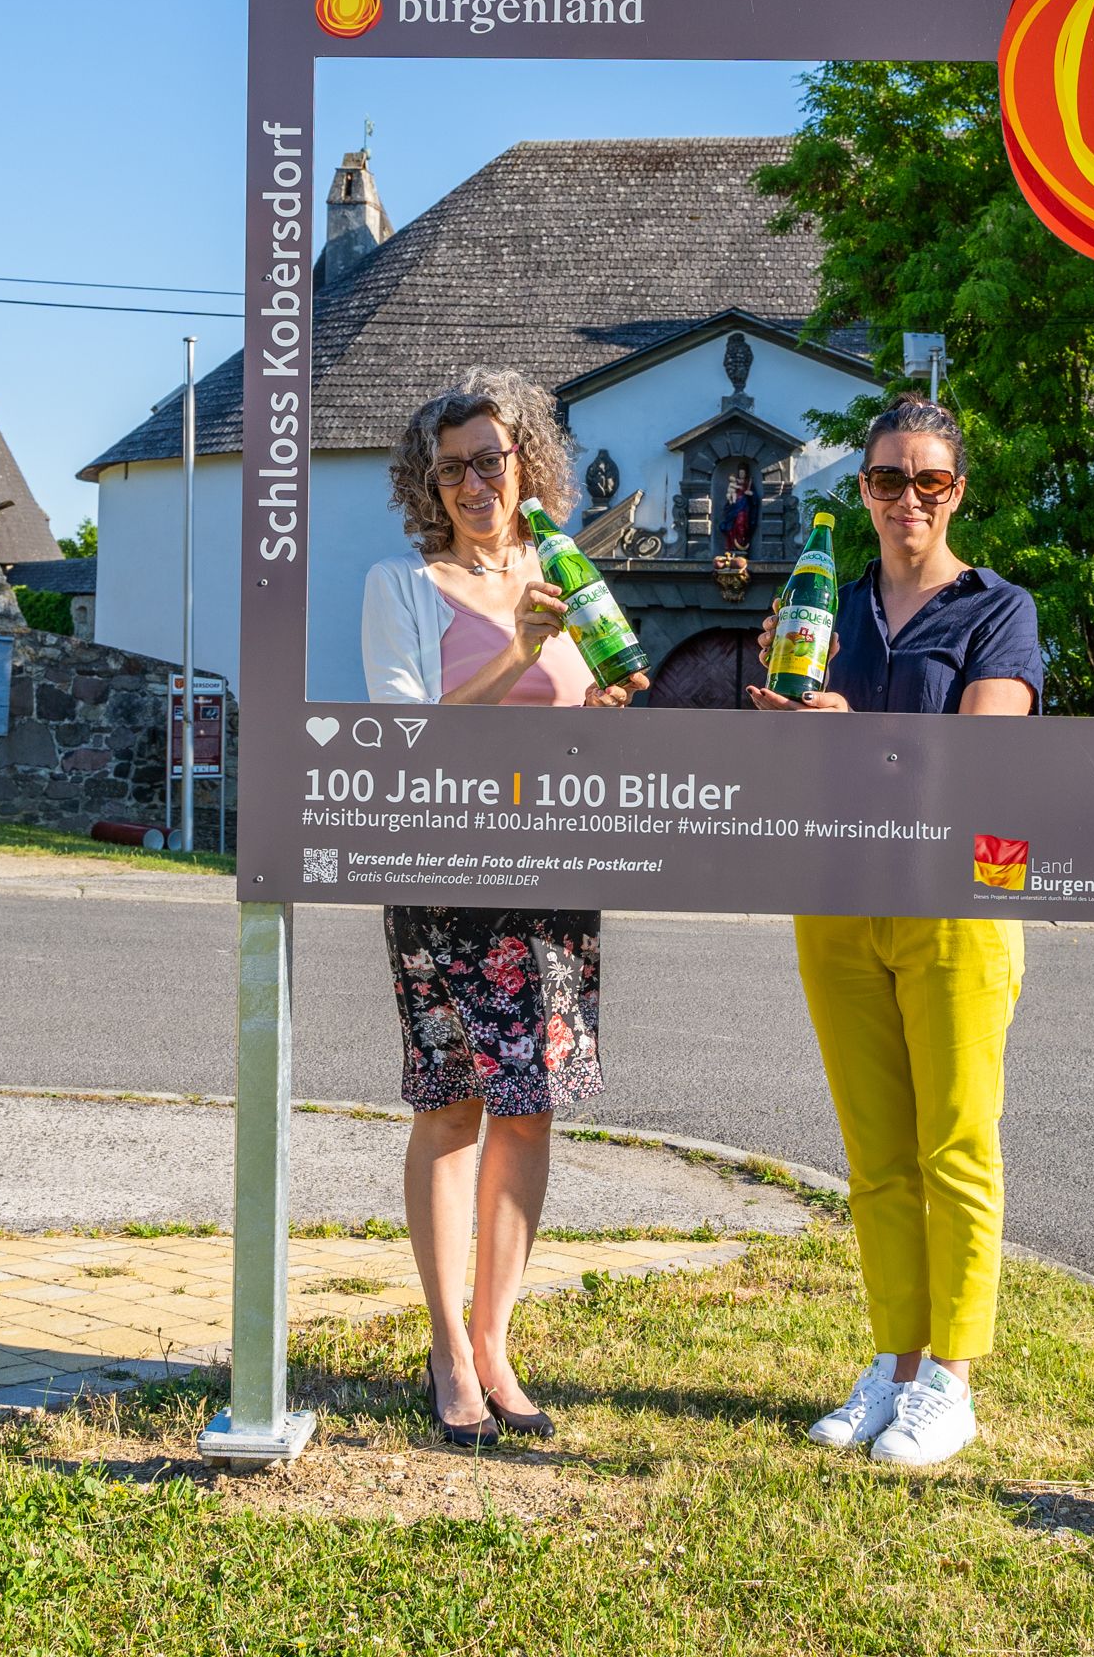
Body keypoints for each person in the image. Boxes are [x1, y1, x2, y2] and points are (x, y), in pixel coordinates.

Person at [747, 394, 1041, 1467]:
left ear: (957, 490)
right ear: (861, 492)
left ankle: (953, 1379)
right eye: (886, 480)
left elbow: (984, 757)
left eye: (929, 480)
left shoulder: (997, 610)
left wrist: (855, 734)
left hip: (957, 905)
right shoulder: (830, 603)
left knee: (955, 1145)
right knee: (876, 1158)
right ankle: (898, 1362)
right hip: (834, 896)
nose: (907, 498)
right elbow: (786, 760)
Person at [362, 369, 646, 1448]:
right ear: (427, 483)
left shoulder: (566, 571)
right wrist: (521, 652)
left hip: (556, 878)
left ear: (527, 458)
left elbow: (597, 711)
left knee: (529, 1106)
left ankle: (496, 1341)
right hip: (441, 878)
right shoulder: (403, 582)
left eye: (491, 458)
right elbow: (405, 726)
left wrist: (609, 703)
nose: (474, 483)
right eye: (451, 468)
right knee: (449, 1106)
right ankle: (445, 1349)